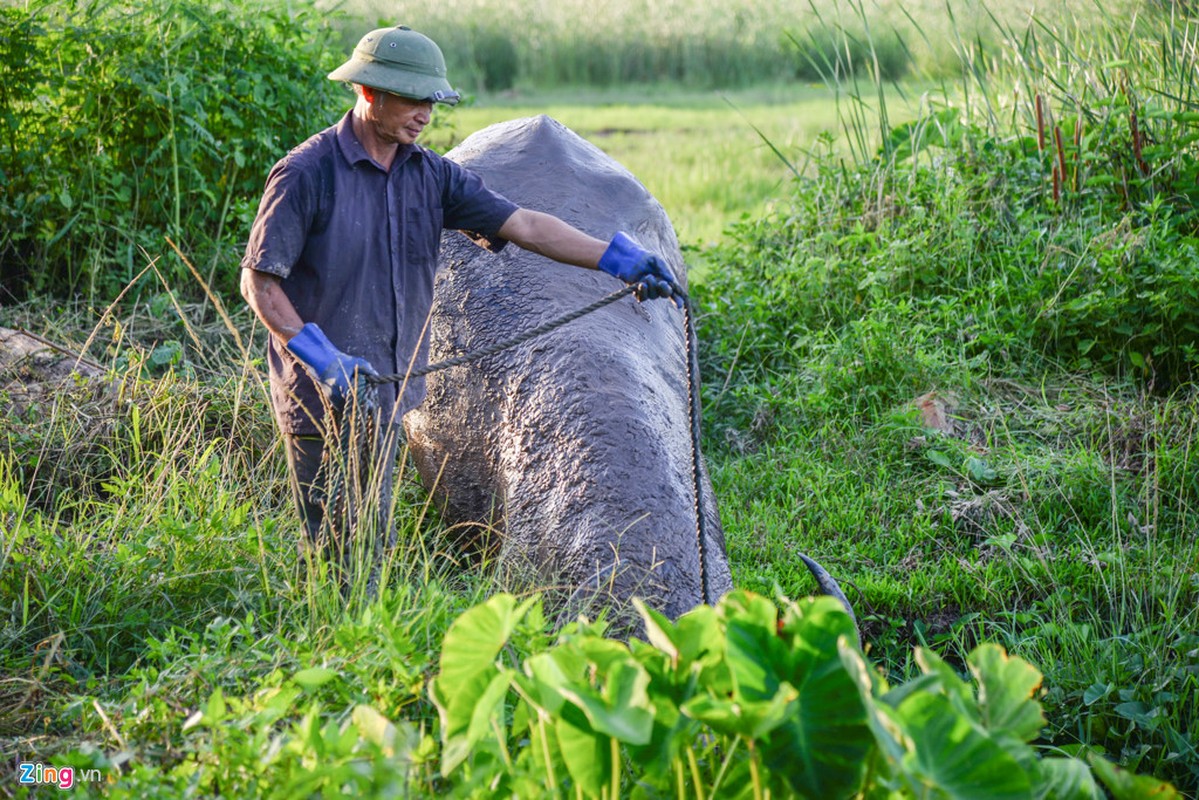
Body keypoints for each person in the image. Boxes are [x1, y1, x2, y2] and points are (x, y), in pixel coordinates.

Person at [240, 24, 679, 579]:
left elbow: (525, 224)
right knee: (332, 550)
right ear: (369, 92)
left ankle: (363, 643)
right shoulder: (305, 173)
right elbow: (259, 283)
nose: (426, 114)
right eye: (413, 100)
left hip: (387, 391)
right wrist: (320, 354)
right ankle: (328, 646)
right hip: (318, 394)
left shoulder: (431, 176)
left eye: (433, 102)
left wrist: (616, 258)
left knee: (370, 542)